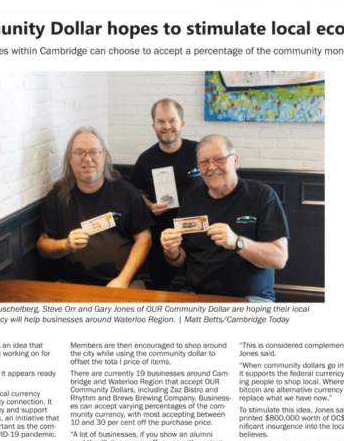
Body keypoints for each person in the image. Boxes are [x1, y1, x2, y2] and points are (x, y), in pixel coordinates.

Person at [160, 134, 289, 301]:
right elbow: (179, 260)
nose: (211, 167)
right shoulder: (191, 199)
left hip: (251, 298)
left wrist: (237, 242)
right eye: (204, 162)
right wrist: (172, 251)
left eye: (219, 159)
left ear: (235, 160)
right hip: (196, 294)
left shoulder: (262, 195)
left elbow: (279, 259)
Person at [38, 127, 153, 289]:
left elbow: (144, 238)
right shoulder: (57, 196)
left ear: (104, 156)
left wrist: (123, 279)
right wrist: (66, 245)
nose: (87, 158)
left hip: (125, 282)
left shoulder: (126, 191)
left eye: (94, 152)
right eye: (79, 153)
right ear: (69, 159)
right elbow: (43, 245)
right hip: (72, 284)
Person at [129, 99, 203, 289]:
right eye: (161, 121)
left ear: (182, 124)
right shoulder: (146, 159)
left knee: (200, 284)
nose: (167, 126)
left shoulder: (199, 152)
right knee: (161, 286)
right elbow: (134, 191)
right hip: (162, 233)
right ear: (154, 125)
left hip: (198, 231)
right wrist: (151, 205)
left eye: (172, 120)